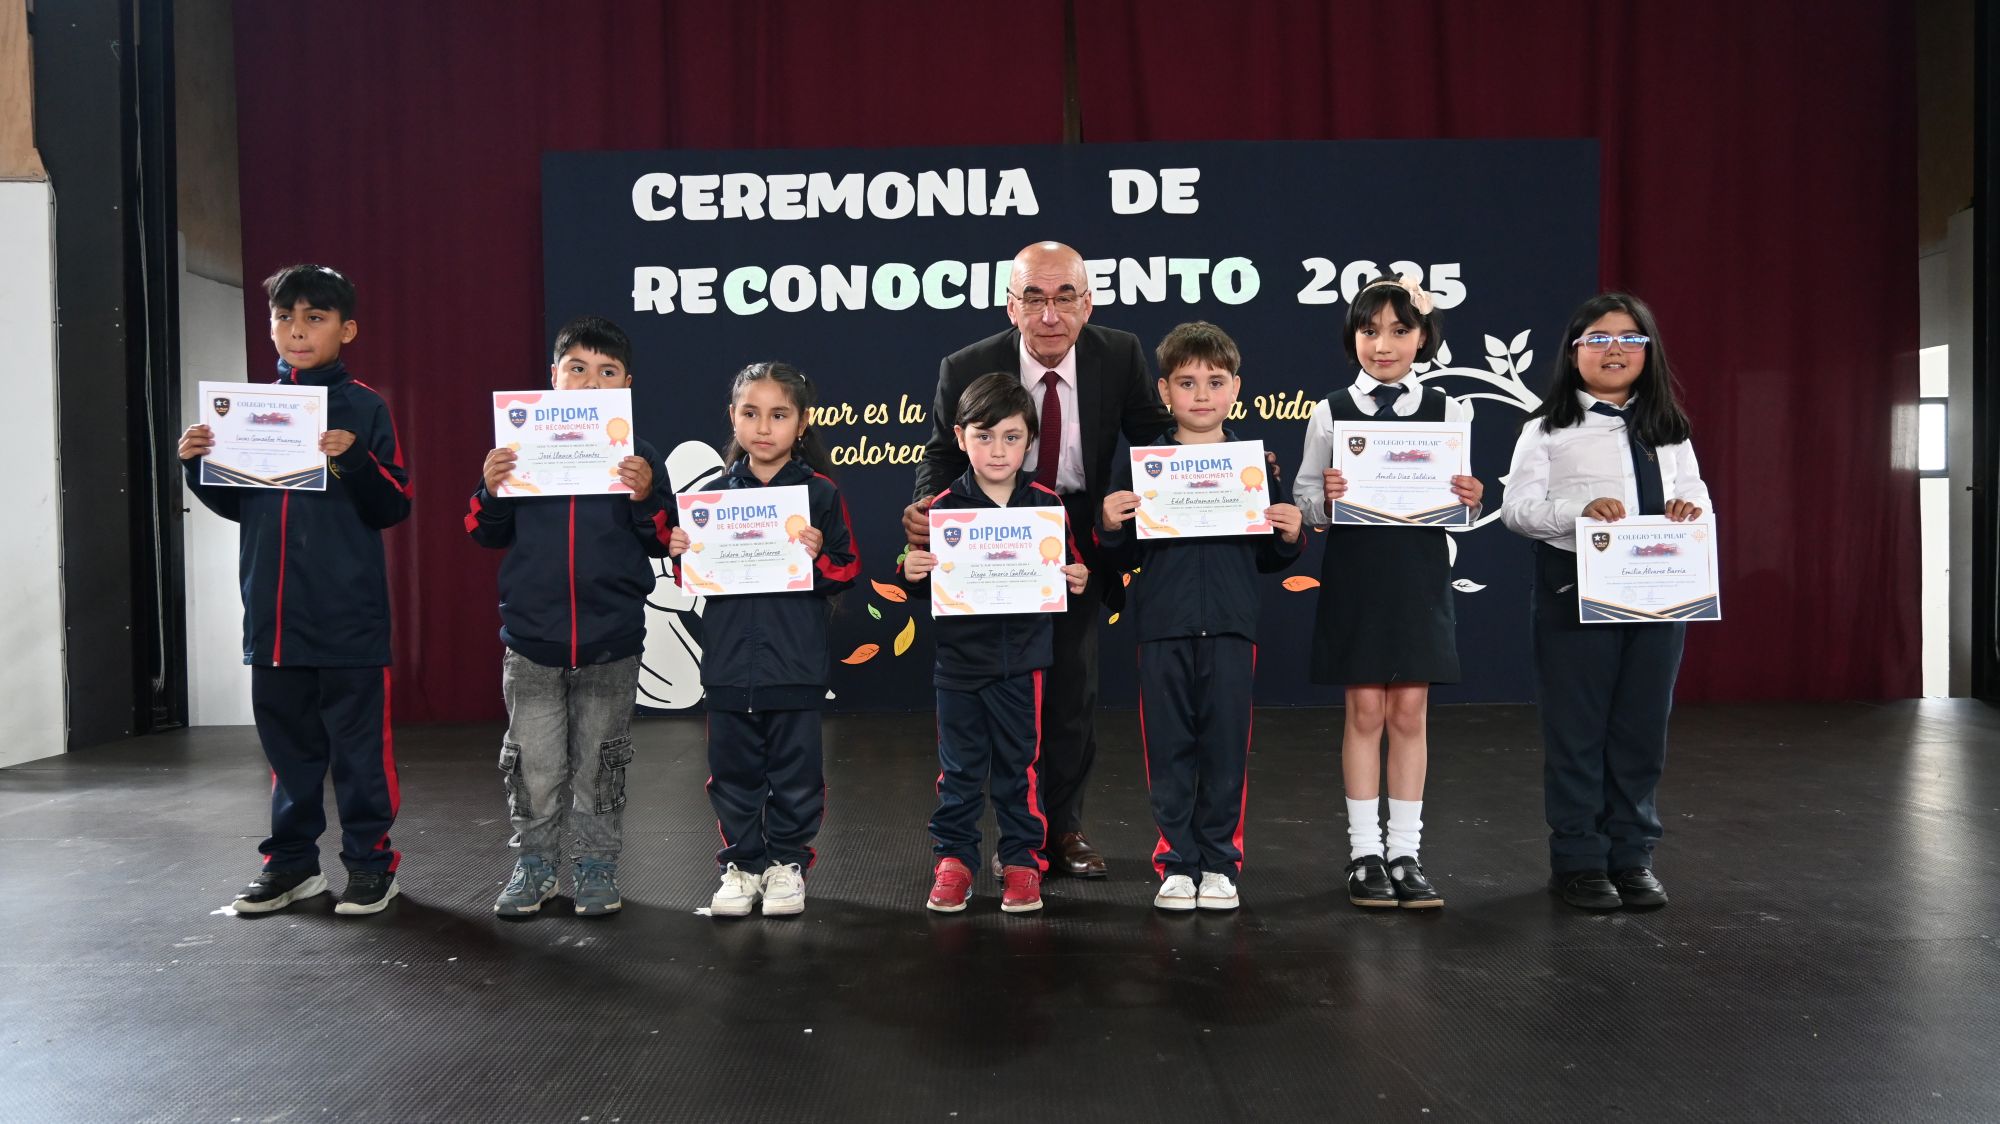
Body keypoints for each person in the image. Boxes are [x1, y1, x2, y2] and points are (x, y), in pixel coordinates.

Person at [902, 241, 1170, 879]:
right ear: (1011, 306)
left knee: (1070, 690)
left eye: (1064, 298)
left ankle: (1061, 829)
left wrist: (1226, 468)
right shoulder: (967, 365)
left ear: (1088, 304)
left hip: (1073, 530)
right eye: (1034, 298)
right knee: (988, 697)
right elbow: (942, 453)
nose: (1050, 315)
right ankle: (994, 840)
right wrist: (927, 508)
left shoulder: (1120, 354)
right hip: (987, 525)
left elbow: (1157, 439)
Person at [179, 263, 412, 916]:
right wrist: (198, 465)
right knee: (289, 754)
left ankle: (370, 866)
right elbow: (242, 505)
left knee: (360, 755)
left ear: (346, 329)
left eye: (315, 318)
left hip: (349, 618)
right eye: (284, 317)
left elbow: (393, 505)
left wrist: (353, 458)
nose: (298, 331)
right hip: (273, 617)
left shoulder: (365, 407)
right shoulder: (251, 411)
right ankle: (290, 867)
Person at [1500, 292, 1709, 911]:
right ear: (1574, 352)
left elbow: (1699, 497)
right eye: (1598, 338)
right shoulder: (1547, 429)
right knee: (1577, 732)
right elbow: (1516, 511)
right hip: (1575, 590)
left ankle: (1633, 856)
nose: (1614, 349)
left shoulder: (1670, 430)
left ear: (1648, 351)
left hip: (1659, 593)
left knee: (1641, 731)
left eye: (1629, 338)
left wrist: (1689, 511)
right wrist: (1580, 511)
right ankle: (1580, 861)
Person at [464, 315, 674, 917]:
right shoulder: (518, 450)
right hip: (532, 643)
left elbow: (665, 540)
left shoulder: (639, 457)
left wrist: (645, 498)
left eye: (607, 372)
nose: (589, 382)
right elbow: (481, 531)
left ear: (626, 385)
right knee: (533, 766)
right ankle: (534, 865)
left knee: (600, 766)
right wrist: (491, 490)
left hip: (611, 642)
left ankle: (597, 865)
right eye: (577, 369)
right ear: (553, 377)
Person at [1294, 275, 1484, 911]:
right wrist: (1326, 498)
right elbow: (1305, 499)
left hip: (1419, 576)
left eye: (1400, 331)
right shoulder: (1330, 409)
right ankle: (1364, 854)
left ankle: (1406, 853)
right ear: (1352, 336)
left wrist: (1471, 497)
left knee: (1409, 714)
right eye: (1370, 330)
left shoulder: (1451, 411)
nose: (1383, 345)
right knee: (1365, 713)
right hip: (1358, 574)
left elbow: (1460, 503)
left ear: (1423, 338)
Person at [1098, 322, 1303, 911]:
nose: (1202, 394)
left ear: (1235, 388)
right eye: (1187, 383)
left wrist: (1289, 535)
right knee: (1168, 749)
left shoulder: (1254, 462)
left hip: (1233, 627)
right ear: (1164, 391)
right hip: (1163, 626)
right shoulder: (1141, 463)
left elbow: (1268, 556)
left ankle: (1218, 863)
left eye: (1215, 381)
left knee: (1224, 748)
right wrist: (1109, 526)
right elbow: (1124, 554)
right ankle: (1176, 862)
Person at [669, 362, 860, 918]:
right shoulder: (711, 498)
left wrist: (816, 556)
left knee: (796, 775)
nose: (763, 427)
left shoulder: (819, 494)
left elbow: (847, 568)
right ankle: (742, 865)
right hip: (729, 666)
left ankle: (786, 865)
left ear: (801, 423)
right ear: (732, 417)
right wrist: (683, 553)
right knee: (732, 776)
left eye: (779, 415)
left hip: (795, 664)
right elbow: (691, 580)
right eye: (751, 413)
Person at [904, 373, 1089, 914]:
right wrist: (911, 572)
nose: (998, 450)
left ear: (1030, 440)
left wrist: (1077, 577)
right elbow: (920, 577)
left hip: (1023, 665)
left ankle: (1021, 860)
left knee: (1019, 768)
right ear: (960, 438)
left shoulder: (1045, 505)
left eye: (1011, 437)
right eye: (984, 436)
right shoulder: (942, 506)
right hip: (960, 665)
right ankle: (954, 860)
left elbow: (1070, 567)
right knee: (959, 771)